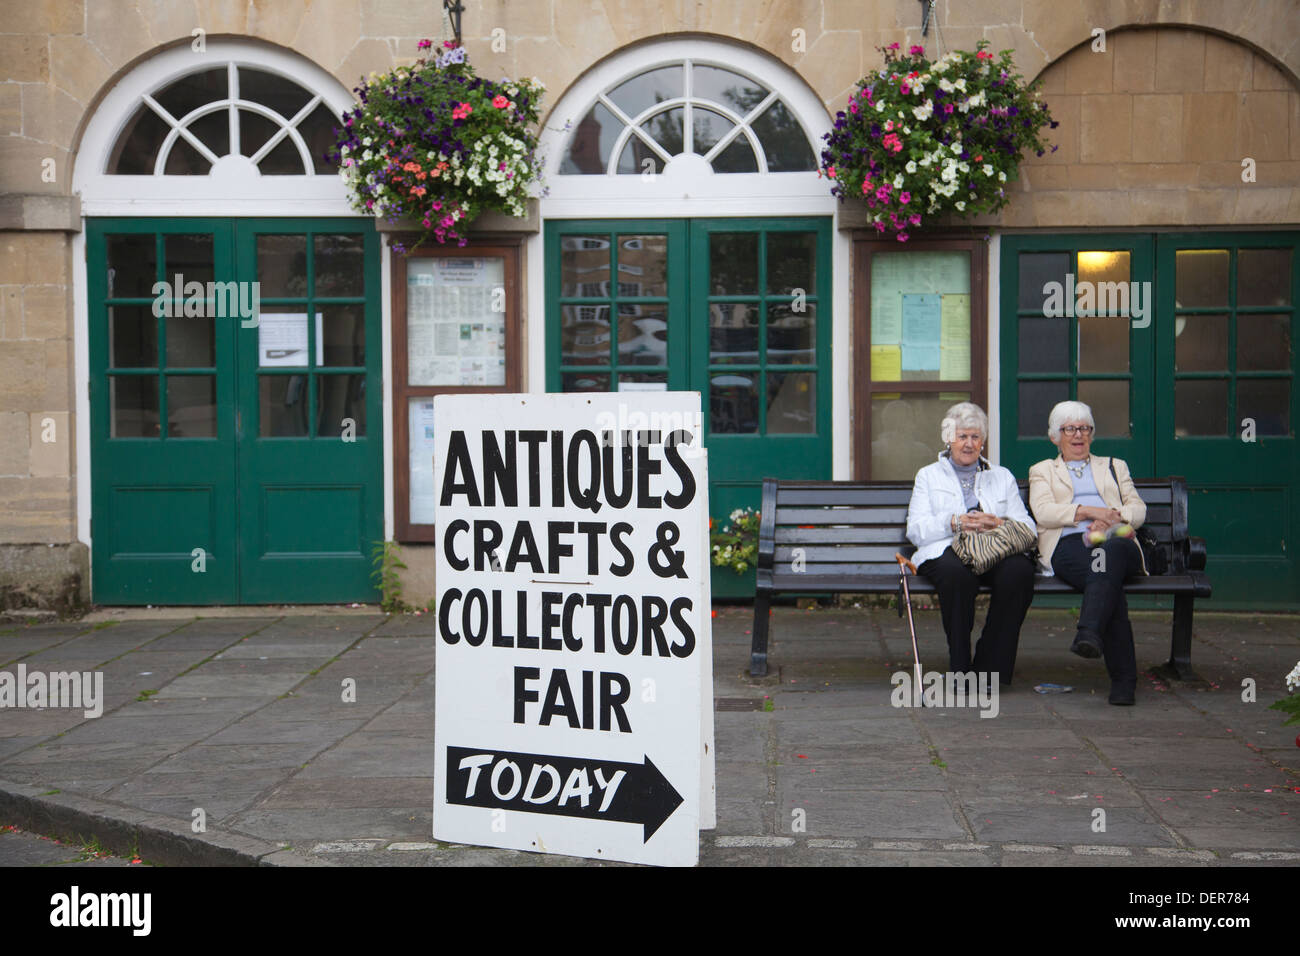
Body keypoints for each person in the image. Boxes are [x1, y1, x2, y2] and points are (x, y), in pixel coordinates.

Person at [906, 402, 1037, 685]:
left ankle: (991, 666)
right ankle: (961, 668)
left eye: (975, 437)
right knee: (957, 575)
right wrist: (954, 522)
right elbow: (916, 530)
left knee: (1020, 573)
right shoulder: (928, 476)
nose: (968, 444)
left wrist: (997, 523)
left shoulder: (1001, 476)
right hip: (945, 548)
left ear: (983, 441)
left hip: (993, 548)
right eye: (961, 436)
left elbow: (1027, 527)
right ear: (948, 438)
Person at [1028, 401, 1147, 706]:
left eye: (1084, 428)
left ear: (1092, 434)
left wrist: (1113, 517)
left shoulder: (1114, 466)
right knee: (1108, 584)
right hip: (1071, 544)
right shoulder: (1042, 470)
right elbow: (1043, 512)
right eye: (1069, 429)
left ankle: (1089, 631)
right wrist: (1087, 512)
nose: (1078, 435)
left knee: (1111, 555)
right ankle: (1124, 683)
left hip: (1118, 541)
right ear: (1056, 436)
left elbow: (1138, 508)